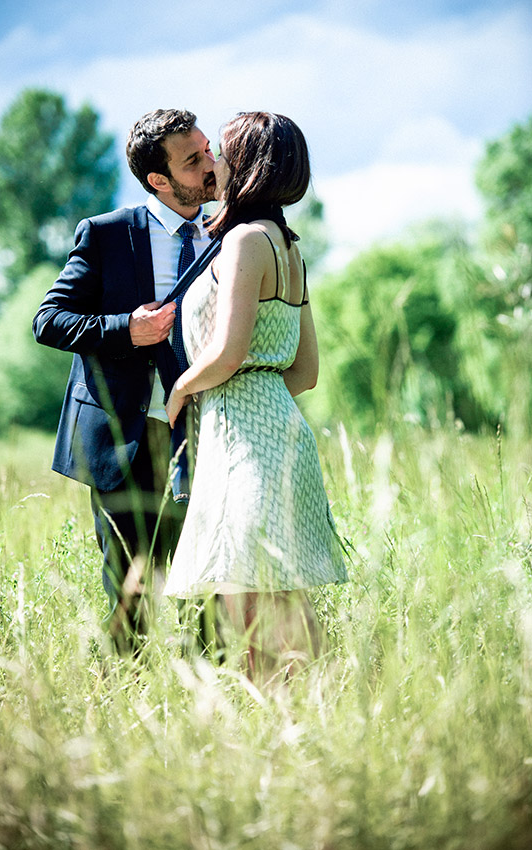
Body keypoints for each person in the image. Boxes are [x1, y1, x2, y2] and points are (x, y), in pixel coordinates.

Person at [164, 111, 348, 680]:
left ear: (246, 164)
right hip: (279, 430)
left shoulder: (245, 241)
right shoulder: (289, 248)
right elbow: (305, 370)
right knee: (275, 596)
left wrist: (183, 388)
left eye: (221, 152)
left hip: (244, 442)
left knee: (247, 601)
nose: (213, 162)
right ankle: (319, 709)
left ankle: (288, 714)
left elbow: (226, 352)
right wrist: (259, 391)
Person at [32, 108, 217, 652]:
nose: (210, 164)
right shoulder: (108, 234)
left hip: (205, 433)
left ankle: (211, 692)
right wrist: (125, 329)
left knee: (206, 589)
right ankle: (125, 693)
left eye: (208, 149)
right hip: (122, 437)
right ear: (159, 179)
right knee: (131, 599)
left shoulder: (229, 232)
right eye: (193, 160)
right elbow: (49, 320)